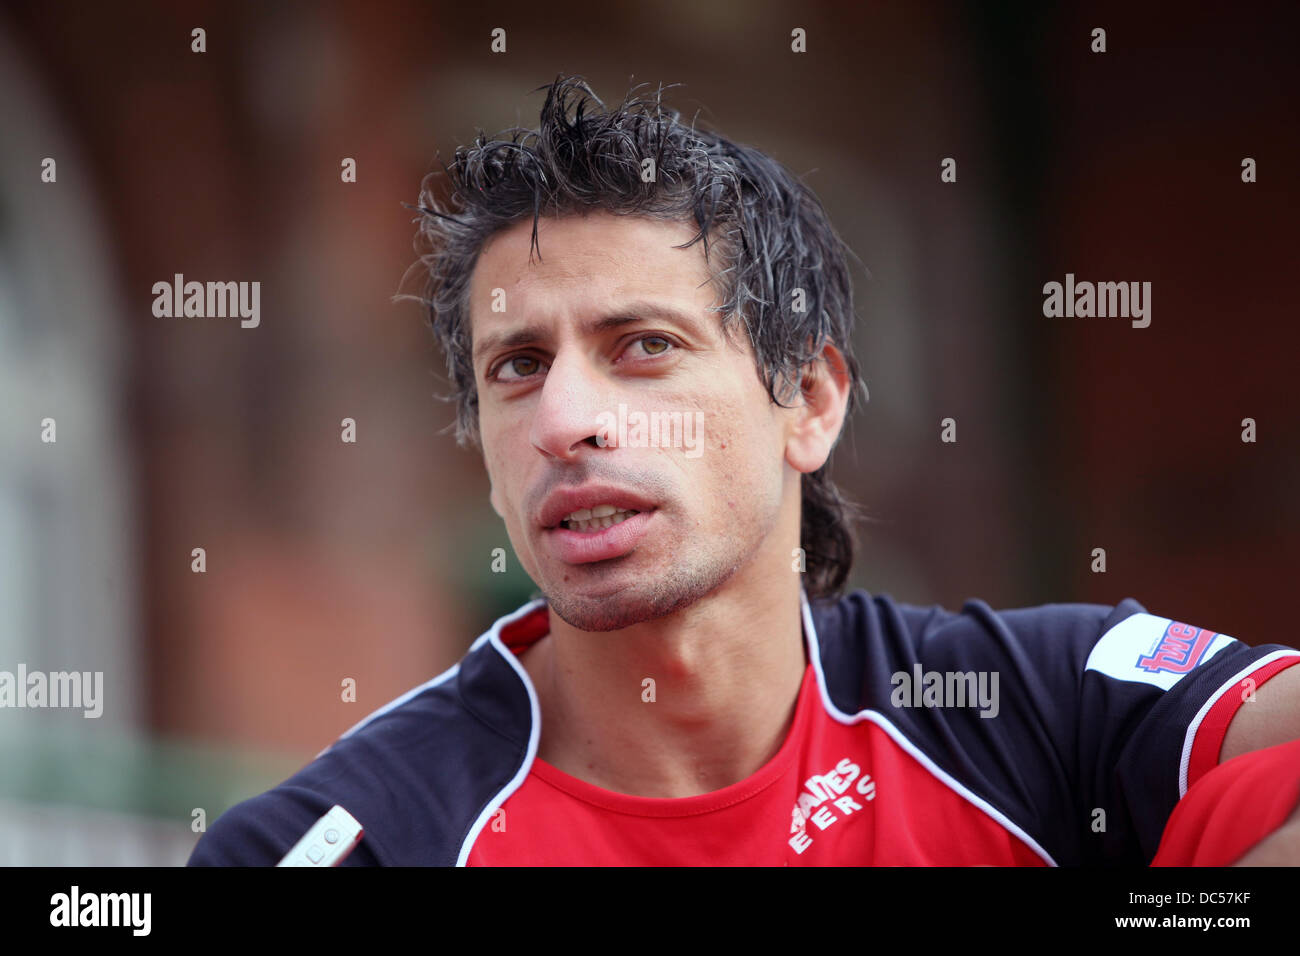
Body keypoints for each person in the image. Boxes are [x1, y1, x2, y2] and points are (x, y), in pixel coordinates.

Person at [188, 74, 1300, 867]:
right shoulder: (347, 838)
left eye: (643, 346)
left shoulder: (1033, 706)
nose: (566, 419)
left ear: (808, 401)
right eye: (517, 367)